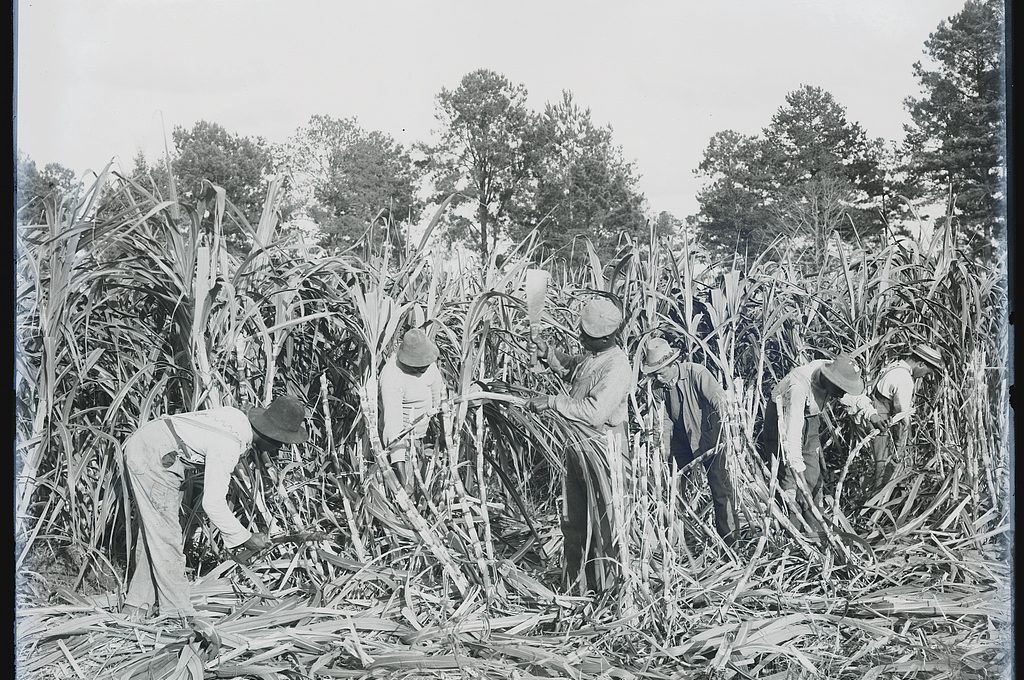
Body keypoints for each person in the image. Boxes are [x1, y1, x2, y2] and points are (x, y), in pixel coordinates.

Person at [121, 395, 309, 624]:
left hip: (153, 445)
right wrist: (245, 537)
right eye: (279, 442)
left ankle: (135, 608)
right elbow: (213, 502)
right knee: (167, 539)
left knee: (155, 535)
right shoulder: (229, 443)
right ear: (269, 434)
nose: (279, 448)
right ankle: (178, 614)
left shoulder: (236, 420)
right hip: (155, 454)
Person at [525, 297, 634, 593]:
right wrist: (549, 354)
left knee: (605, 523)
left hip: (603, 449)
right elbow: (574, 369)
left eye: (588, 335)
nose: (581, 337)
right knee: (574, 521)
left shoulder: (618, 366)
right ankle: (576, 587)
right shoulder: (594, 356)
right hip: (578, 446)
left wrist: (551, 402)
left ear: (608, 337)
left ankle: (609, 590)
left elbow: (595, 413)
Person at [641, 338, 738, 545]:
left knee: (720, 489)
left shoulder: (697, 373)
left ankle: (732, 542)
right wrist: (662, 450)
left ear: (672, 363)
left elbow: (718, 400)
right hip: (680, 443)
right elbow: (663, 421)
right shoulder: (659, 387)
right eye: (654, 373)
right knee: (674, 491)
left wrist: (728, 430)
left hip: (709, 438)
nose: (657, 377)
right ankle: (678, 543)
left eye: (660, 371)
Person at [759, 355, 864, 533]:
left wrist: (870, 413)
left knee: (814, 480)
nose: (842, 394)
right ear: (829, 380)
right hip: (782, 422)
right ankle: (793, 536)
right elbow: (792, 435)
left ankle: (816, 532)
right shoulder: (798, 386)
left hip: (810, 420)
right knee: (790, 484)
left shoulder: (831, 371)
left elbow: (851, 398)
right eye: (840, 389)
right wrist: (800, 484)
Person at [379, 328, 449, 488]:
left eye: (424, 365)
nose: (423, 369)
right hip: (402, 443)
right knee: (407, 488)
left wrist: (445, 432)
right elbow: (394, 429)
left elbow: (439, 397)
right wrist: (402, 481)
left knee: (425, 486)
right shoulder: (392, 378)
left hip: (421, 438)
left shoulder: (428, 364)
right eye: (417, 367)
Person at [868, 344, 944, 484]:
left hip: (875, 419)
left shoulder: (893, 366)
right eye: (926, 373)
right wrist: (905, 441)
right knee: (884, 466)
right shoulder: (904, 378)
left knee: (878, 464)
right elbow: (902, 414)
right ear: (921, 364)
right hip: (883, 425)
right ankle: (879, 500)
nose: (923, 377)